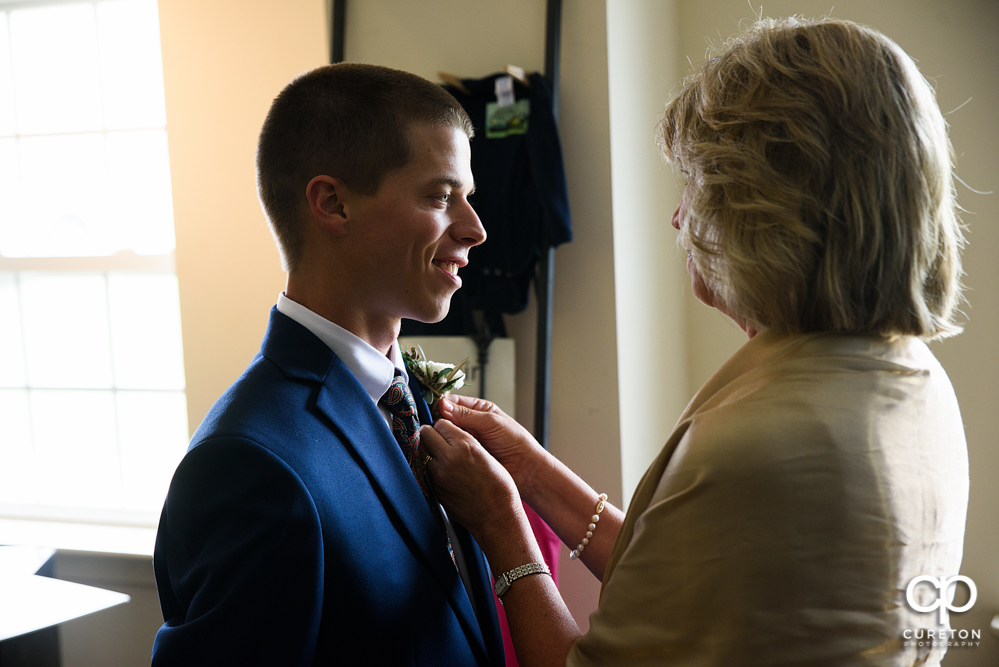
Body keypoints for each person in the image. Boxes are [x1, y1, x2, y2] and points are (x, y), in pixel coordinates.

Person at [419, 16, 969, 667]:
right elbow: (696, 585)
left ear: (765, 206)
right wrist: (533, 473)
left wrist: (501, 524)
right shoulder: (907, 372)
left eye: (695, 184)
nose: (679, 216)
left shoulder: (768, 445)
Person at [151, 63, 506, 666]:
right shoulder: (249, 467)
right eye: (441, 197)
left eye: (468, 199)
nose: (476, 229)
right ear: (334, 204)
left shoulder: (411, 404)